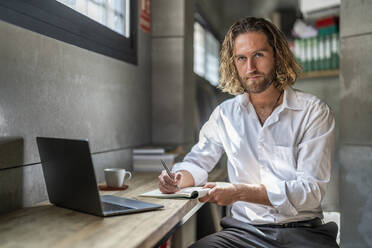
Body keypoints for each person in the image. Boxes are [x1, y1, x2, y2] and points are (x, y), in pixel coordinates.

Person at [158, 17, 339, 248]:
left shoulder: (314, 112)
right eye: (241, 58)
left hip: (304, 232)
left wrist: (240, 192)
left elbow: (310, 192)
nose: (250, 68)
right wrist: (178, 179)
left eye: (259, 55)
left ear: (277, 55)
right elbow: (198, 161)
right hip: (245, 233)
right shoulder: (225, 114)